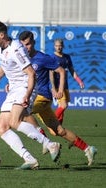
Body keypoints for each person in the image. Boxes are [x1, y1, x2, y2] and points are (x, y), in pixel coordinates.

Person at [0, 21, 61, 170]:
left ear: (2, 35)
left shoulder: (16, 49)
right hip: (14, 89)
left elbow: (31, 73)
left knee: (15, 121)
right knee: (2, 128)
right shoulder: (0, 48)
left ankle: (50, 144)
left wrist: (27, 94)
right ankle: (29, 159)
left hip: (26, 86)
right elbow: (3, 64)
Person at [18, 31, 97, 166]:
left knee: (21, 113)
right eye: (23, 45)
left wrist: (60, 90)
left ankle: (47, 143)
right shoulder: (22, 59)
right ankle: (88, 148)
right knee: (58, 130)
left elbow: (61, 71)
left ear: (33, 43)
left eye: (28, 44)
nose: (26, 47)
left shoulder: (42, 58)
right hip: (37, 99)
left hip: (42, 97)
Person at [50, 38, 84, 124]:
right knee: (63, 105)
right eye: (57, 46)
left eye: (60, 46)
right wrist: (53, 88)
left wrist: (79, 81)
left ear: (63, 46)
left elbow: (72, 70)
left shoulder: (67, 57)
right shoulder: (52, 57)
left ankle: (58, 125)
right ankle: (51, 121)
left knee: (63, 105)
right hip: (58, 86)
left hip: (65, 85)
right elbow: (51, 74)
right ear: (54, 46)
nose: (58, 48)